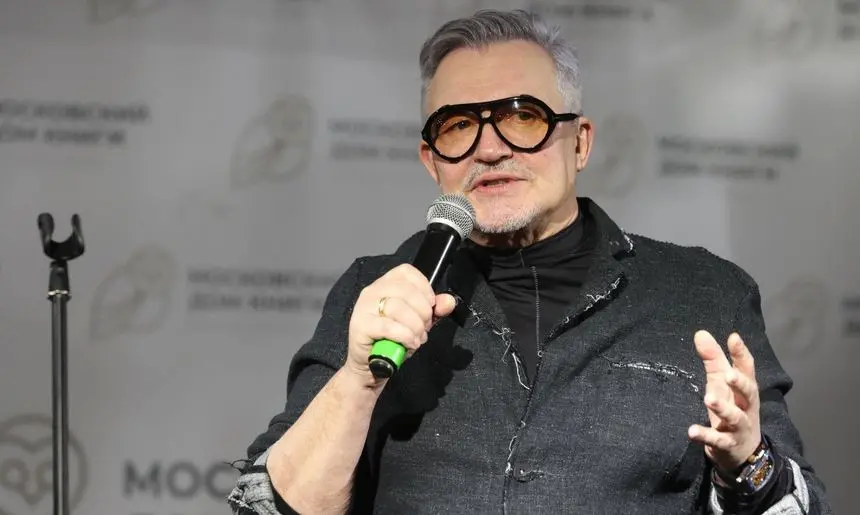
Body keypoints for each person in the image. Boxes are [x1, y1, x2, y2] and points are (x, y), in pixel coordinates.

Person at [227, 9, 831, 515]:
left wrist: (749, 465)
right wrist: (358, 381)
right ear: (431, 160)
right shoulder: (375, 292)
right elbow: (268, 507)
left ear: (580, 142)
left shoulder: (704, 291)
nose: (490, 148)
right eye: (458, 126)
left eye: (523, 117)